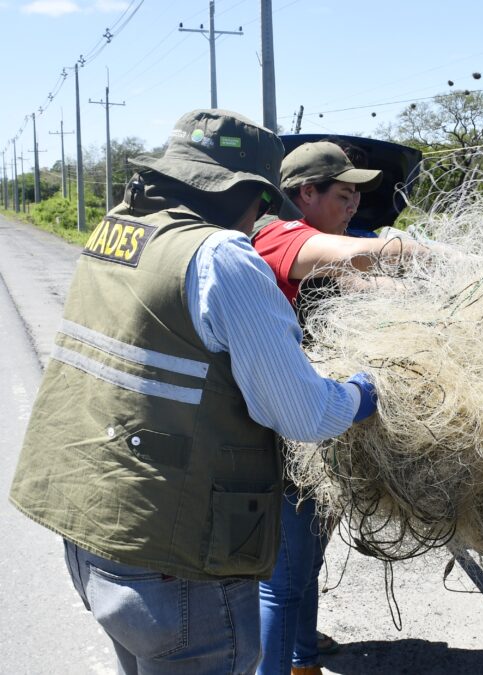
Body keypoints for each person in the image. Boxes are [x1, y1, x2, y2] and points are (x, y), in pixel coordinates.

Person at [8, 109, 378, 675]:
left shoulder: (116, 229)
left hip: (92, 528)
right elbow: (304, 413)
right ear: (241, 192)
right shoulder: (222, 258)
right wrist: (361, 393)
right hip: (174, 560)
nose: (260, 219)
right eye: (260, 203)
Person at [251, 140, 405, 675]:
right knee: (282, 581)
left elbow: (358, 276)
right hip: (285, 436)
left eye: (357, 196)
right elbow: (362, 258)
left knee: (304, 566)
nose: (354, 205)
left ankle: (303, 661)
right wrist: (439, 261)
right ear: (304, 194)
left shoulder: (318, 248)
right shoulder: (281, 237)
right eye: (343, 194)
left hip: (312, 432)